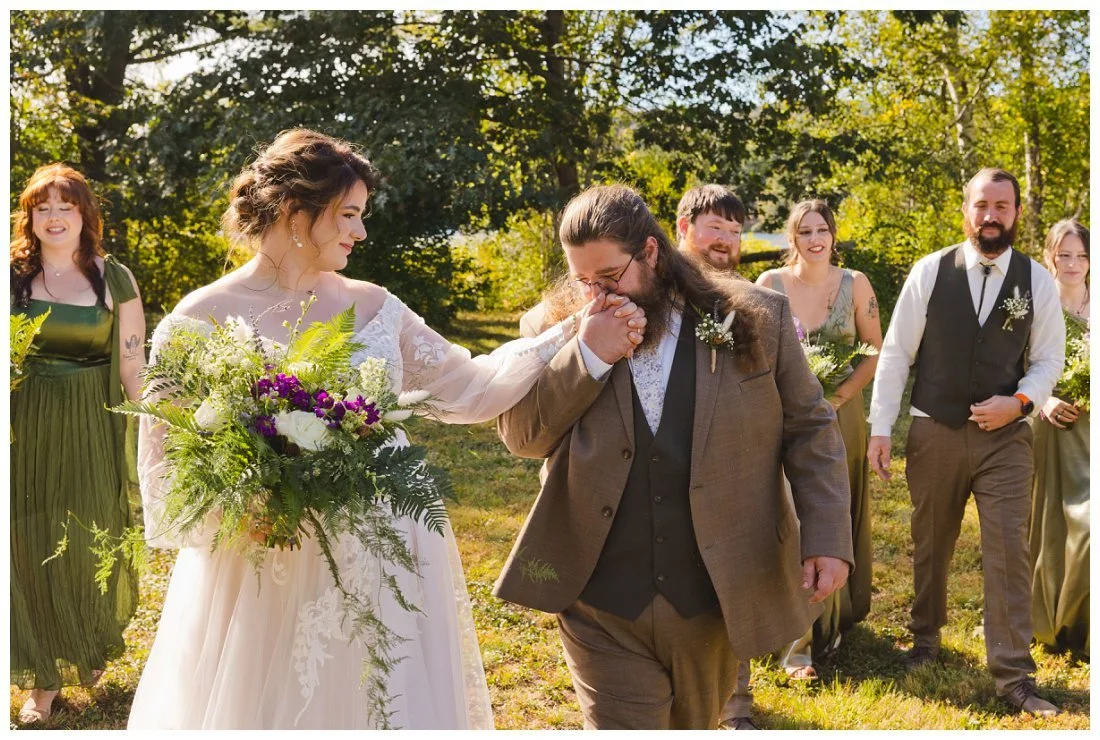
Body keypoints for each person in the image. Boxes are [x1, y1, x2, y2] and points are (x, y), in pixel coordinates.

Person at [126, 129, 645, 730]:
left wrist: (575, 330)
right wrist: (250, 507)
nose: (361, 232)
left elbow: (474, 389)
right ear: (297, 213)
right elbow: (164, 472)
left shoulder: (376, 306)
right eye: (348, 215)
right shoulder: (199, 318)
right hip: (265, 562)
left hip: (385, 553)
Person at [494, 184, 853, 730]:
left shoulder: (756, 315)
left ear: (651, 252)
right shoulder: (552, 326)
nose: (594, 294)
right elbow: (522, 437)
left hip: (713, 595)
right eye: (582, 279)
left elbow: (809, 427)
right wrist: (587, 354)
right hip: (601, 600)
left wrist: (826, 535)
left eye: (609, 278)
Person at [867, 168, 1065, 716]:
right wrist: (880, 428)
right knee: (930, 540)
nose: (991, 215)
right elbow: (896, 354)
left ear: (1017, 213)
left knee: (1007, 551)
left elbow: (1049, 357)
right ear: (966, 210)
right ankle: (926, 639)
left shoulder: (1037, 281)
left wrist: (1020, 403)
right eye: (982, 205)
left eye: (1002, 205)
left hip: (1007, 439)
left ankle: (1014, 675)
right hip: (935, 430)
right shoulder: (930, 271)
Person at [9, 163, 145, 724]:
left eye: (66, 206)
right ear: (30, 218)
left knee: (92, 528)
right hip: (25, 418)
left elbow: (134, 363)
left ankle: (84, 638)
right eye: (44, 207)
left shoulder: (115, 280)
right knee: (28, 535)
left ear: (85, 215)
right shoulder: (12, 277)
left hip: (93, 416)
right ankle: (41, 680)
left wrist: (159, 423)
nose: (55, 217)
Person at [754, 200, 882, 680]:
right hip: (784, 420)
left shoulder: (857, 285)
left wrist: (841, 397)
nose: (814, 238)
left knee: (834, 509)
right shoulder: (769, 286)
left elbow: (874, 350)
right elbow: (753, 354)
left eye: (821, 229)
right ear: (792, 237)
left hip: (841, 416)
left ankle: (836, 615)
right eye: (804, 231)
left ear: (833, 234)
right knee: (792, 515)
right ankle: (796, 639)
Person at [1029, 219, 1089, 656]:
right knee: (1048, 523)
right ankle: (1046, 623)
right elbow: (1008, 362)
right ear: (1050, 255)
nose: (1073, 264)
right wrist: (1042, 400)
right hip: (1045, 423)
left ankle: (1083, 628)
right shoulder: (1032, 300)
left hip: (1091, 428)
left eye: (1081, 255)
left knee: (1088, 527)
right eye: (1064, 254)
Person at [675, 184, 746, 270]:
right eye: (716, 227)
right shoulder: (658, 279)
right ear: (684, 227)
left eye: (735, 231)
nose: (726, 241)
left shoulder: (741, 283)